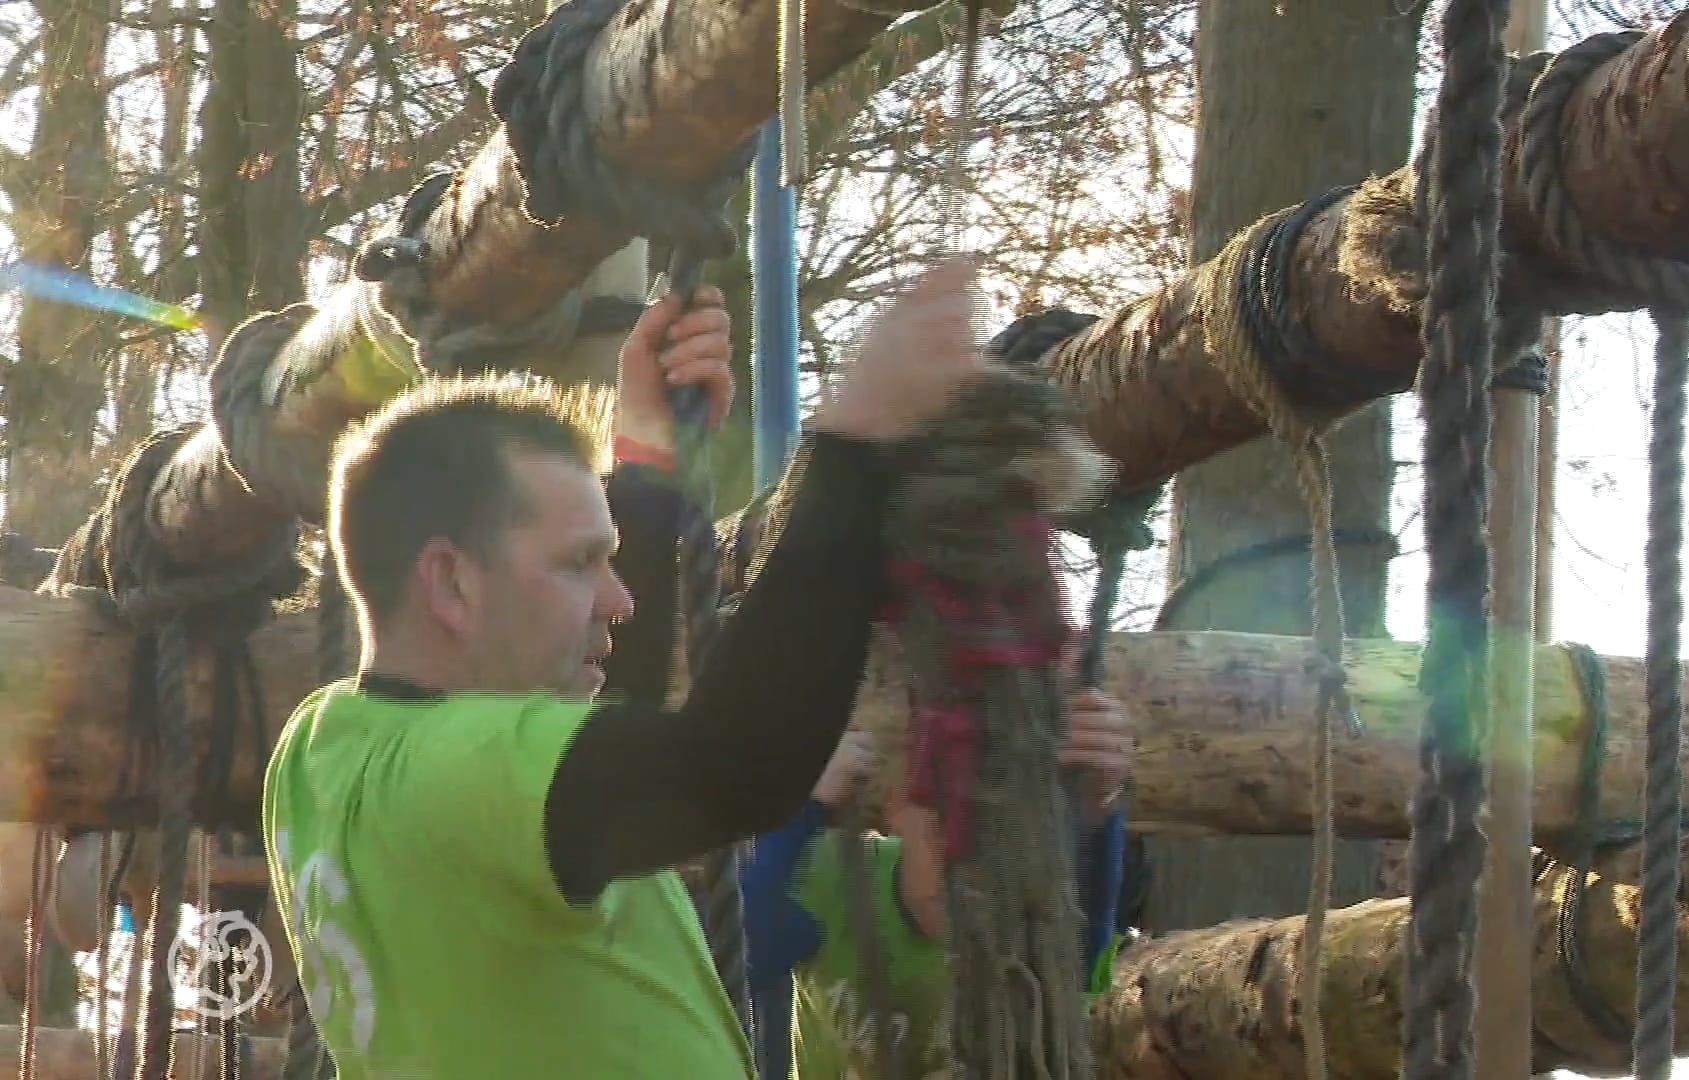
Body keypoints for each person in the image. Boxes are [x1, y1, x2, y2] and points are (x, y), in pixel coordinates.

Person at [261, 259, 993, 1078]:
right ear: (452, 582)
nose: (619, 598)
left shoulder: (321, 749)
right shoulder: (461, 775)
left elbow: (613, 753)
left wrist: (645, 455)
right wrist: (858, 442)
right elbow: (729, 769)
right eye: (580, 563)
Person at [741, 673, 1135, 1080]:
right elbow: (745, 956)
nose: (964, 881)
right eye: (942, 833)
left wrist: (1100, 813)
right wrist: (804, 806)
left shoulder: (1034, 927)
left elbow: (1082, 973)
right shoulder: (840, 877)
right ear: (897, 809)